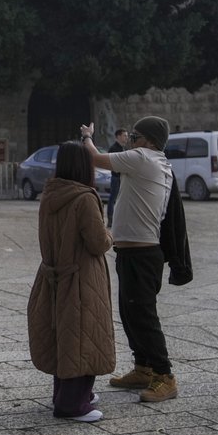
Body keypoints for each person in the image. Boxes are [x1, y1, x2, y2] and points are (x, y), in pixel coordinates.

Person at [79, 116, 179, 403]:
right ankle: (143, 368)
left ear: (147, 140)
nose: (130, 141)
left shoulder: (143, 157)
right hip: (135, 251)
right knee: (130, 313)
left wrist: (87, 136)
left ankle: (165, 376)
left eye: (134, 137)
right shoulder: (153, 159)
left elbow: (95, 158)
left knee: (143, 316)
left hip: (142, 252)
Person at [27, 142, 115, 422]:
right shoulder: (85, 198)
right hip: (81, 276)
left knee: (63, 336)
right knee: (83, 335)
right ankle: (72, 405)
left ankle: (67, 394)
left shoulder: (50, 194)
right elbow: (98, 243)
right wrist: (110, 234)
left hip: (53, 274)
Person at [105, 128, 129, 225]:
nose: (126, 138)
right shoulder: (114, 149)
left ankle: (119, 219)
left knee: (122, 199)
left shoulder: (123, 149)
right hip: (116, 178)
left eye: (127, 136)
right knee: (113, 198)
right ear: (118, 136)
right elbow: (111, 164)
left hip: (123, 177)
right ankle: (110, 220)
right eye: (124, 135)